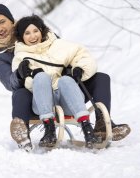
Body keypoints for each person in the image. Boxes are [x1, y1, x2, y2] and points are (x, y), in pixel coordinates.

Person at [0, 3, 130, 151]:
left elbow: (63, 54)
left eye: (2, 22)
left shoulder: (40, 33)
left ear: (11, 20)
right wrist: (20, 75)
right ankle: (22, 131)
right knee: (20, 93)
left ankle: (102, 125)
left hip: (63, 88)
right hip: (35, 95)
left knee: (101, 77)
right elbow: (10, 83)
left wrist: (75, 69)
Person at [12, 15, 99, 149]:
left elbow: (84, 55)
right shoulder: (20, 57)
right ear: (21, 37)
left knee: (65, 80)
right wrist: (30, 75)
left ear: (41, 31)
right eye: (27, 33)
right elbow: (26, 84)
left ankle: (87, 129)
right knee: (41, 77)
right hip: (42, 102)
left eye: (35, 31)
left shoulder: (58, 45)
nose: (32, 36)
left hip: (67, 101)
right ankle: (49, 130)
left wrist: (80, 69)